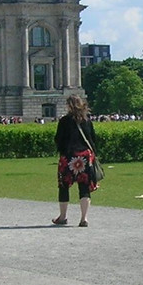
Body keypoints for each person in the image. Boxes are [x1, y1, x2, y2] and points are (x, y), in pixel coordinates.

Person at [52, 95, 100, 227]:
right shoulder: (86, 120)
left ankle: (63, 216)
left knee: (63, 186)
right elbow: (93, 139)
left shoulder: (64, 121)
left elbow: (58, 139)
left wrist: (63, 151)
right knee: (84, 187)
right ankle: (84, 218)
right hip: (85, 156)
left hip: (68, 157)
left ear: (69, 105)